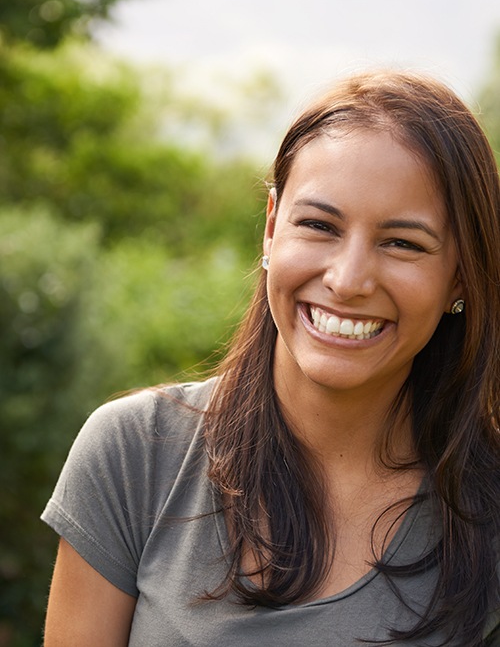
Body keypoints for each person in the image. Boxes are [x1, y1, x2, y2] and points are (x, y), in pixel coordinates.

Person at [42, 70, 500, 646]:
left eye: (402, 243)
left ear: (459, 274)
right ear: (270, 227)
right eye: (318, 225)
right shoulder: (135, 455)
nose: (348, 278)